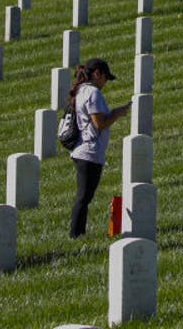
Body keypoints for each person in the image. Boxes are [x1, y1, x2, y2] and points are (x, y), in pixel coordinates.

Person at [68, 58, 130, 238]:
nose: (105, 82)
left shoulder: (81, 91)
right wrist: (117, 113)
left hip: (83, 150)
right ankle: (75, 234)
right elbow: (99, 123)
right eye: (105, 78)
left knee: (84, 197)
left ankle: (78, 233)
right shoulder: (93, 93)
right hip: (89, 152)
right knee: (83, 197)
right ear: (97, 74)